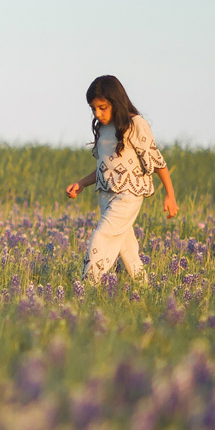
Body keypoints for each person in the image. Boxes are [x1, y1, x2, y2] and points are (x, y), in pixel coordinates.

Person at [66, 74, 178, 288]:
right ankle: (146, 289)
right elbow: (103, 168)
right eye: (93, 109)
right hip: (106, 196)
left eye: (103, 107)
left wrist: (170, 195)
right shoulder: (102, 129)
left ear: (115, 102)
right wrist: (81, 183)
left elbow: (157, 162)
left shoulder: (136, 124)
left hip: (128, 196)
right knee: (128, 250)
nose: (98, 113)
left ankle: (87, 288)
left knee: (101, 236)